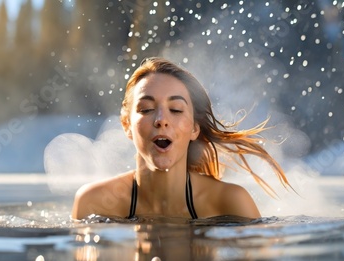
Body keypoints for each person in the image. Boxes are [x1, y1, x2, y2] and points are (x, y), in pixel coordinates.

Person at [72, 57, 291, 220]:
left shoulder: (229, 202)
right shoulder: (93, 203)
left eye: (176, 109)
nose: (161, 120)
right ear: (127, 125)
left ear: (195, 129)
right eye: (146, 109)